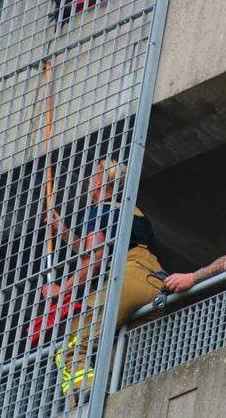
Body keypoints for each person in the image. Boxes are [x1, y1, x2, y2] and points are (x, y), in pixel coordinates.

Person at [43, 159, 165, 403]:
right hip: (155, 284)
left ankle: (86, 397)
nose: (89, 182)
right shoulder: (132, 210)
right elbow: (104, 246)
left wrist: (60, 290)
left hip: (125, 280)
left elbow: (95, 258)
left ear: (99, 182)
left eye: (92, 177)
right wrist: (65, 232)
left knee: (72, 344)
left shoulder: (97, 211)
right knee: (109, 344)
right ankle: (108, 393)